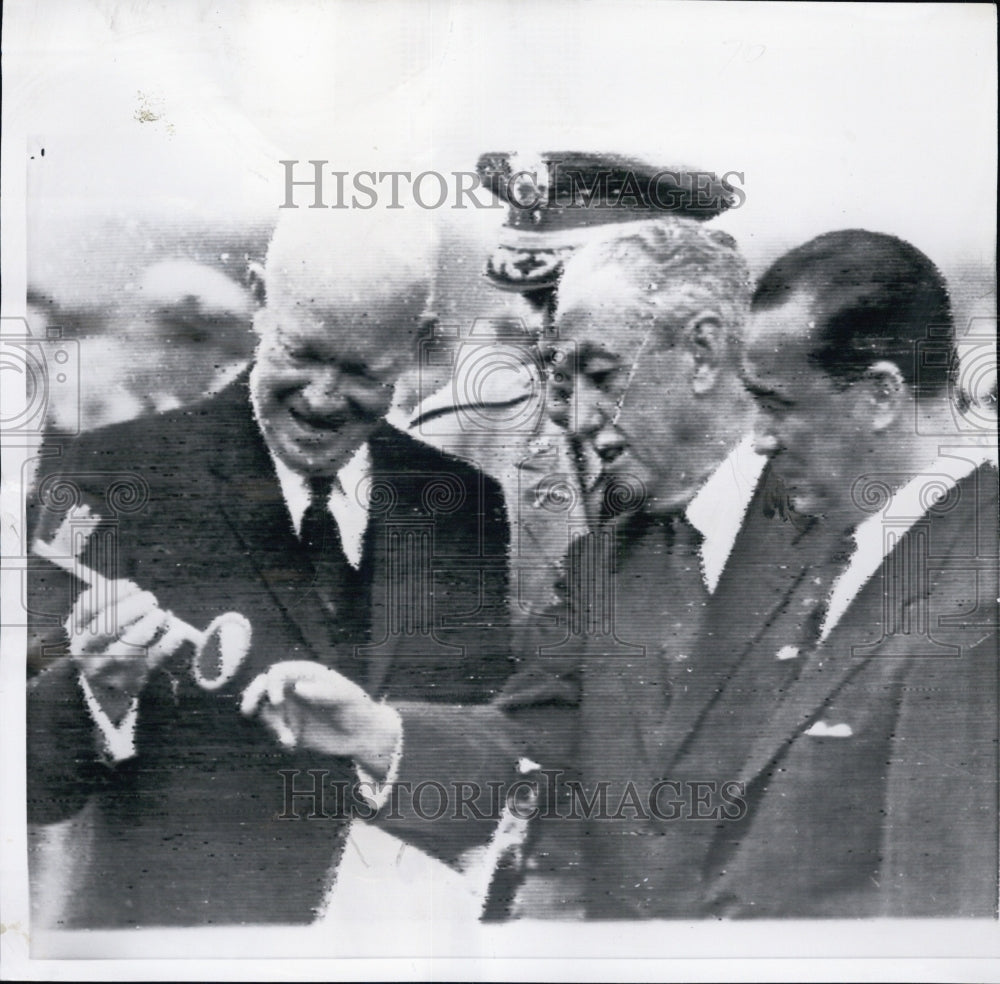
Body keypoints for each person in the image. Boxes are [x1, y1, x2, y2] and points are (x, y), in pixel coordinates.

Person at [244, 218, 815, 917]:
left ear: (702, 351)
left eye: (600, 376)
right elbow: (538, 739)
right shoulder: (609, 562)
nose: (573, 417)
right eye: (563, 380)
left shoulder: (853, 528)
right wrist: (376, 733)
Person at [25, 203, 512, 928]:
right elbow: (29, 784)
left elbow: (489, 763)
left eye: (362, 370)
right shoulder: (114, 472)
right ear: (259, 299)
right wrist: (96, 692)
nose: (321, 398)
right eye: (300, 353)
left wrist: (385, 738)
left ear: (416, 341)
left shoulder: (462, 503)